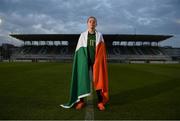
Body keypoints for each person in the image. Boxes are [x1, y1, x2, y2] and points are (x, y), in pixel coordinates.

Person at [60, 16, 109, 111]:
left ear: (96, 24)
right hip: (85, 61)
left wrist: (98, 60)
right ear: (87, 24)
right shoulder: (82, 35)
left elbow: (102, 51)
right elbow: (79, 51)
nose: (92, 23)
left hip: (96, 62)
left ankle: (100, 102)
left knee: (98, 80)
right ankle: (81, 101)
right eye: (90, 21)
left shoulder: (99, 35)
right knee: (82, 79)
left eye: (94, 21)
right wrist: (83, 60)